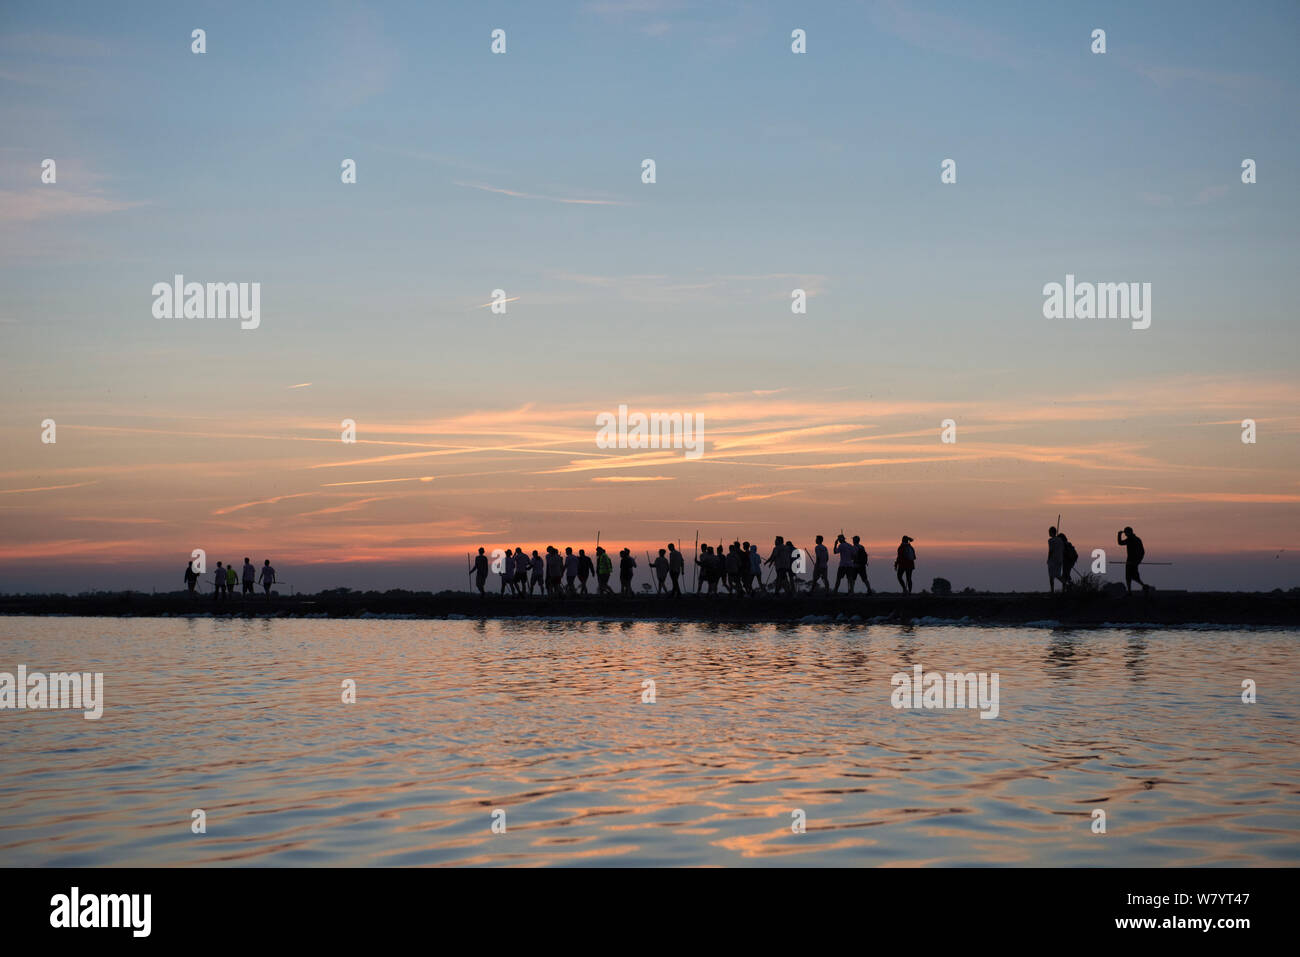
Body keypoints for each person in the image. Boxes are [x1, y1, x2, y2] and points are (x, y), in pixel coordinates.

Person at [1117, 526, 1150, 594]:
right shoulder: (1136, 539)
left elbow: (1120, 543)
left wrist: (1119, 535)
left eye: (1126, 533)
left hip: (1132, 561)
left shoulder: (1132, 539)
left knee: (1131, 576)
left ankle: (1139, 588)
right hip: (1131, 561)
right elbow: (1142, 552)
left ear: (1129, 532)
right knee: (1131, 576)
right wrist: (1138, 561)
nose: (1125, 534)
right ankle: (1133, 590)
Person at [1047, 526, 1065, 593]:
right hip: (1060, 560)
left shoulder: (1050, 541)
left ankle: (1052, 590)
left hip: (1053, 560)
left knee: (1051, 576)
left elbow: (1050, 551)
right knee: (1057, 575)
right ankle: (1064, 583)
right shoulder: (1060, 540)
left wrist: (1048, 559)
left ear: (1052, 532)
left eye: (1049, 532)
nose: (1048, 533)